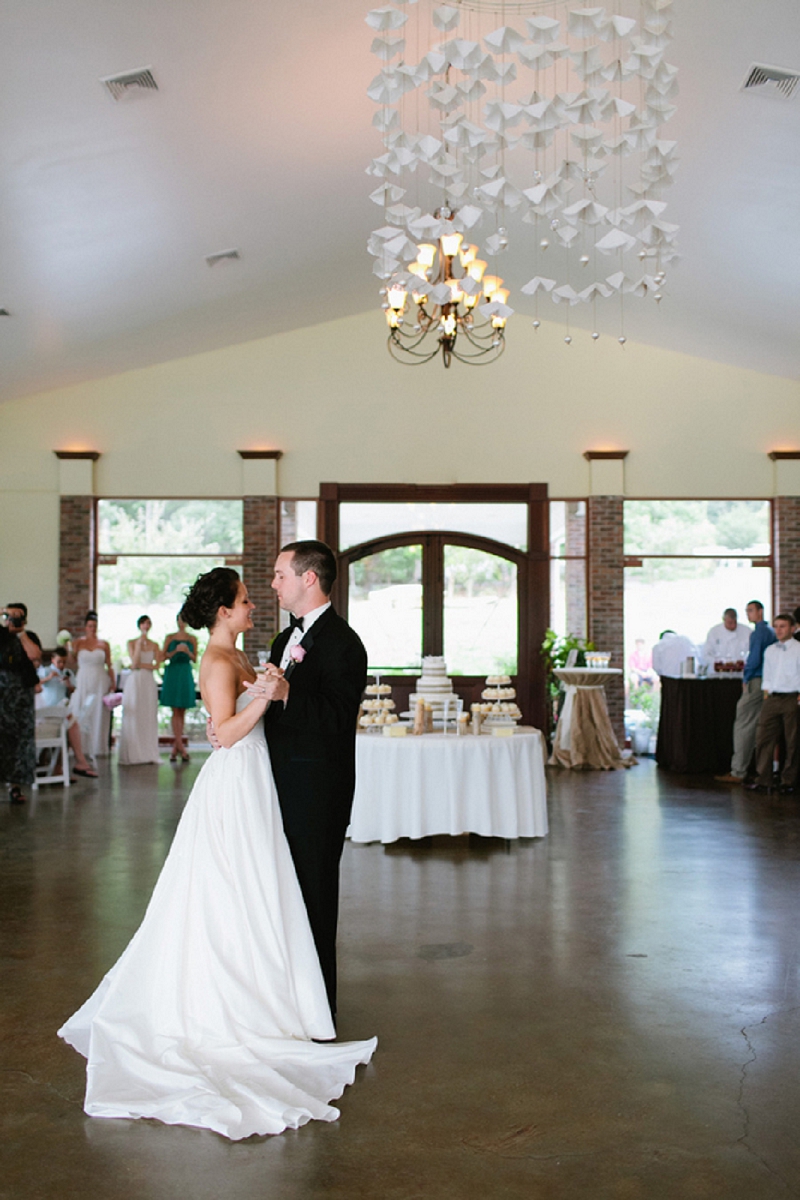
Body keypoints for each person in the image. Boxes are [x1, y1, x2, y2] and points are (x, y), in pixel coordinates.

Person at [58, 567, 376, 1139]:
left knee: (261, 888)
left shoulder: (249, 652)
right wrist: (263, 697)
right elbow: (226, 734)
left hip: (262, 781)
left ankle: (274, 996)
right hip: (236, 781)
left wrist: (270, 688)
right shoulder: (215, 660)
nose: (257, 603)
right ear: (224, 611)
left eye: (263, 591)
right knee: (232, 888)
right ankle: (236, 1003)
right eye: (247, 599)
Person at [266, 540, 368, 1019]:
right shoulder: (281, 640)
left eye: (280, 574)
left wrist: (287, 694)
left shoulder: (345, 644)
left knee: (315, 898)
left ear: (309, 578)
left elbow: (337, 716)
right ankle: (286, 998)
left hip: (318, 794)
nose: (273, 584)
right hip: (278, 788)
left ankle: (318, 1011)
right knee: (282, 897)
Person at [715, 600, 777, 785]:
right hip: (765, 681)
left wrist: (746, 677)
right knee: (754, 724)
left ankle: (738, 770)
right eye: (747, 611)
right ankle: (752, 769)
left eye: (751, 610)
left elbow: (755, 658)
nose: (748, 614)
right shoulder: (769, 632)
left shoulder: (759, 632)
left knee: (743, 723)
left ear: (760, 611)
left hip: (756, 680)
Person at [746, 613, 800, 795]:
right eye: (776, 626)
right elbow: (767, 674)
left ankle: (788, 780)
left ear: (793, 628)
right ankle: (764, 779)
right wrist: (766, 693)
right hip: (773, 698)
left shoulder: (799, 649)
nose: (778, 630)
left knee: (792, 741)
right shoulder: (770, 650)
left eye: (783, 626)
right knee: (763, 737)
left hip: (793, 697)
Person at [37, 647, 98, 778]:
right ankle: (73, 763)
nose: (61, 665)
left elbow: (72, 691)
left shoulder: (67, 672)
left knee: (69, 725)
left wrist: (68, 684)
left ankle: (60, 766)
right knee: (71, 725)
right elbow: (37, 685)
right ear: (53, 660)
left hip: (61, 708)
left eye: (64, 662)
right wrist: (49, 677)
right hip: (46, 709)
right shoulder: (46, 671)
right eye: (59, 661)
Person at [1, 608, 40, 803]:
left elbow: (34, 656)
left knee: (20, 742)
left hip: (22, 697)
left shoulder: (29, 636)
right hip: (2, 695)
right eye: (10, 618)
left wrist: (21, 632)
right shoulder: (1, 636)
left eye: (17, 618)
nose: (13, 621)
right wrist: (4, 611)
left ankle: (15, 787)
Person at [71, 611, 115, 760]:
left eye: (95, 626)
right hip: (83, 679)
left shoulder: (104, 644)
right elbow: (71, 661)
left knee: (98, 712)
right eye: (90, 626)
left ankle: (98, 747)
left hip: (100, 679)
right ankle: (80, 747)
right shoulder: (78, 643)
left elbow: (109, 664)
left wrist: (113, 682)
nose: (92, 628)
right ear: (85, 627)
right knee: (81, 709)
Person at [118, 616, 161, 765]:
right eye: (144, 623)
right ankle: (134, 753)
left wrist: (143, 665)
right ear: (139, 625)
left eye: (148, 623)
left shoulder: (154, 645)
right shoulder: (131, 642)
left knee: (148, 714)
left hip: (148, 681)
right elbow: (134, 663)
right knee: (135, 713)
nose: (146, 625)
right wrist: (138, 645)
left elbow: (157, 666)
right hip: (135, 681)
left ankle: (148, 752)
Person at [160, 614, 197, 762]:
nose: (182, 623)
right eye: (180, 620)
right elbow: (162, 657)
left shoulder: (192, 639)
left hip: (185, 672)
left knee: (183, 709)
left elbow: (195, 658)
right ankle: (180, 746)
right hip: (173, 672)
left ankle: (177, 747)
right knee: (175, 709)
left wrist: (187, 651)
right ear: (177, 621)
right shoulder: (170, 638)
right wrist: (175, 651)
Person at [702, 608, 751, 674]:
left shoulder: (747, 631)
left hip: (740, 674)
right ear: (724, 620)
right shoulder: (714, 632)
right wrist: (718, 663)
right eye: (730, 623)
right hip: (718, 674)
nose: (733, 625)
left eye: (735, 622)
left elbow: (750, 653)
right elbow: (707, 654)